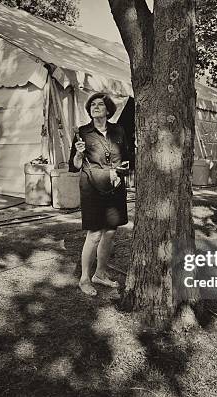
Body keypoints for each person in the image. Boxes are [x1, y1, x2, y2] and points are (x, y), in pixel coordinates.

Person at [68, 93, 130, 296]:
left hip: (115, 186)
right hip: (92, 188)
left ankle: (100, 274)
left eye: (100, 104)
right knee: (94, 234)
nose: (95, 107)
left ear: (108, 109)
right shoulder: (82, 132)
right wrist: (78, 153)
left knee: (110, 232)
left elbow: (126, 158)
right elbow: (74, 166)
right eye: (92, 105)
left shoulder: (119, 130)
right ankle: (85, 278)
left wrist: (122, 170)